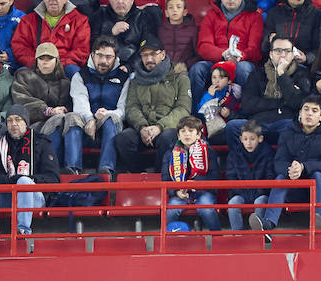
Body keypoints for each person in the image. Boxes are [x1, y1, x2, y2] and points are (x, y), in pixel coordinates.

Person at [250, 96, 321, 231]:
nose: (309, 113)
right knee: (281, 177)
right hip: (297, 189)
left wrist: (304, 167)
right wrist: (291, 169)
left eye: (314, 110)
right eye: (306, 109)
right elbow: (279, 162)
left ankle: (320, 220)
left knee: (317, 175)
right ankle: (268, 224)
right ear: (300, 113)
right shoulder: (287, 134)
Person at [0, 105, 56, 237]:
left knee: (24, 181)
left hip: (34, 197)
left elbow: (53, 178)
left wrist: (30, 179)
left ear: (26, 122)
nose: (13, 124)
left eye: (18, 119)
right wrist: (5, 179)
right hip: (8, 195)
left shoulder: (41, 142)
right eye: (9, 120)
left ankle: (23, 230)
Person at [12, 42, 90, 175]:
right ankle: (53, 168)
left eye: (49, 59)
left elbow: (72, 104)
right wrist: (48, 111)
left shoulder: (65, 82)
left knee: (72, 117)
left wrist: (65, 109)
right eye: (41, 59)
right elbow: (22, 101)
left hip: (62, 123)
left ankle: (73, 168)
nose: (45, 62)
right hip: (34, 125)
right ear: (36, 61)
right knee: (57, 119)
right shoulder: (24, 76)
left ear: (56, 61)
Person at [116, 40, 189, 172]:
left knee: (168, 138)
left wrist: (159, 127)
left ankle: (159, 174)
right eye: (145, 55)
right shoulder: (136, 80)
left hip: (166, 127)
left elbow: (183, 109)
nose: (149, 59)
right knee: (123, 139)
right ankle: (139, 173)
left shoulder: (179, 77)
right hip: (143, 128)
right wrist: (142, 126)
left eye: (153, 54)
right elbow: (131, 107)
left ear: (162, 54)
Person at [229, 36, 312, 145]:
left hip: (285, 123)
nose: (283, 55)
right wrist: (280, 102)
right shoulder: (258, 73)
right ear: (271, 54)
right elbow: (247, 105)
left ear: (292, 55)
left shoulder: (301, 74)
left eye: (287, 51)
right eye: (278, 51)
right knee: (232, 127)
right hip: (257, 123)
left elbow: (298, 103)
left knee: (293, 128)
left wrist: (281, 74)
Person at [12, 0, 91, 72]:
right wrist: (38, 63)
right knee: (22, 73)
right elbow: (20, 47)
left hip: (64, 67)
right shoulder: (28, 20)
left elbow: (81, 51)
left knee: (74, 72)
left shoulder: (80, 21)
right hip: (36, 66)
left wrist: (57, 64)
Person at [77, 37, 127, 177]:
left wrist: (107, 114)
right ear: (93, 54)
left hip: (113, 125)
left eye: (109, 57)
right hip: (86, 124)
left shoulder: (124, 77)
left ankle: (106, 168)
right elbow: (80, 103)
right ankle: (72, 169)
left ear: (115, 58)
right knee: (71, 120)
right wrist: (90, 118)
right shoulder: (81, 76)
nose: (104, 61)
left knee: (111, 119)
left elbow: (123, 108)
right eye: (99, 55)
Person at [164, 116, 220, 231]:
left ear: (198, 135)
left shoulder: (208, 151)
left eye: (191, 131)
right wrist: (176, 191)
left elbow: (214, 176)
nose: (187, 134)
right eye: (183, 131)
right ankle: (169, 238)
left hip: (204, 191)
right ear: (178, 136)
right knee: (171, 210)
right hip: (181, 194)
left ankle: (217, 237)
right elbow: (165, 179)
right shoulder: (170, 154)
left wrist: (196, 183)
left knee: (206, 209)